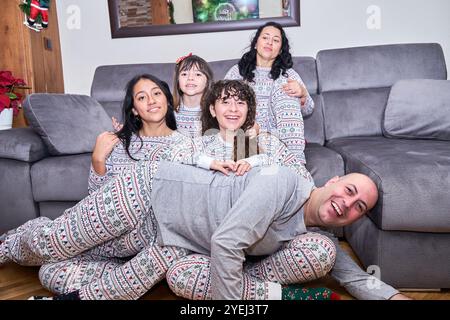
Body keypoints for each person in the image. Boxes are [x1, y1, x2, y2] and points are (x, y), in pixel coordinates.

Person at [0, 81, 409, 300]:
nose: (348, 204)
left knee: (58, 268)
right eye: (351, 190)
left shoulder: (262, 151)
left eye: (359, 207)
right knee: (54, 243)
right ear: (211, 109)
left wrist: (388, 296)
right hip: (147, 196)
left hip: (175, 241)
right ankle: (12, 244)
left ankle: (55, 267)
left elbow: (350, 272)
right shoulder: (198, 141)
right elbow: (239, 198)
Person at [225, 21, 314, 163]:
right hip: (248, 133)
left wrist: (303, 94)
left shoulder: (289, 74)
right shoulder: (237, 72)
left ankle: (296, 166)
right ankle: (290, 165)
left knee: (285, 86)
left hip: (281, 134)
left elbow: (309, 109)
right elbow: (223, 106)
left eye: (276, 40)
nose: (269, 42)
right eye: (265, 37)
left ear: (280, 49)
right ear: (256, 43)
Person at [89, 73, 191, 195]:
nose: (151, 101)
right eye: (142, 97)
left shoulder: (186, 145)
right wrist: (98, 160)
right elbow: (95, 197)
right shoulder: (116, 145)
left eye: (157, 93)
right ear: (134, 110)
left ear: (168, 101)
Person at [172, 53, 214, 138]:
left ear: (207, 82)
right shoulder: (169, 111)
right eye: (184, 74)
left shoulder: (214, 111)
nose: (190, 78)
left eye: (198, 74)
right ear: (178, 81)